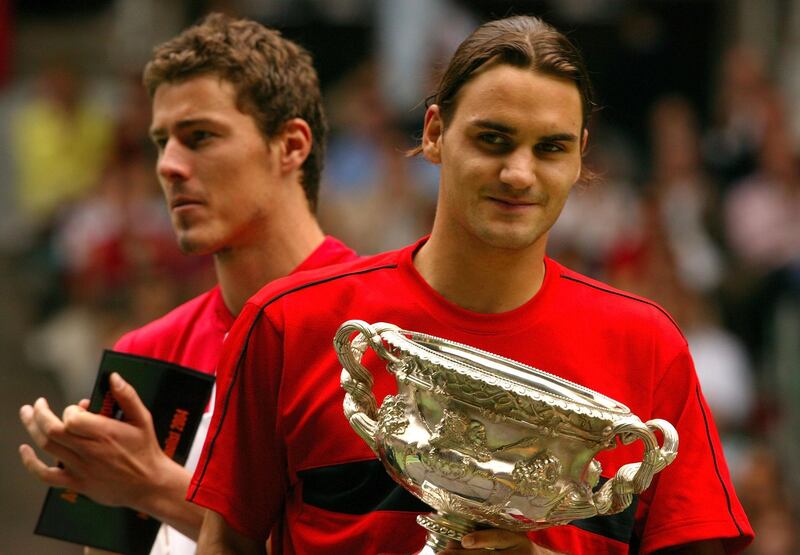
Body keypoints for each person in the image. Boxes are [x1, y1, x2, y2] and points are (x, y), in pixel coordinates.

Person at [189, 15, 754, 555]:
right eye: (493, 139)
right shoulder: (292, 324)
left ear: (581, 156)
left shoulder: (648, 347)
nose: (519, 173)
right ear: (435, 134)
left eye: (550, 148)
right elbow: (227, 543)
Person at [17, 13, 356, 555]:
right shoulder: (143, 354)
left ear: (291, 146)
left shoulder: (380, 331)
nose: (169, 166)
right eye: (161, 142)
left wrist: (156, 486)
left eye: (200, 137)